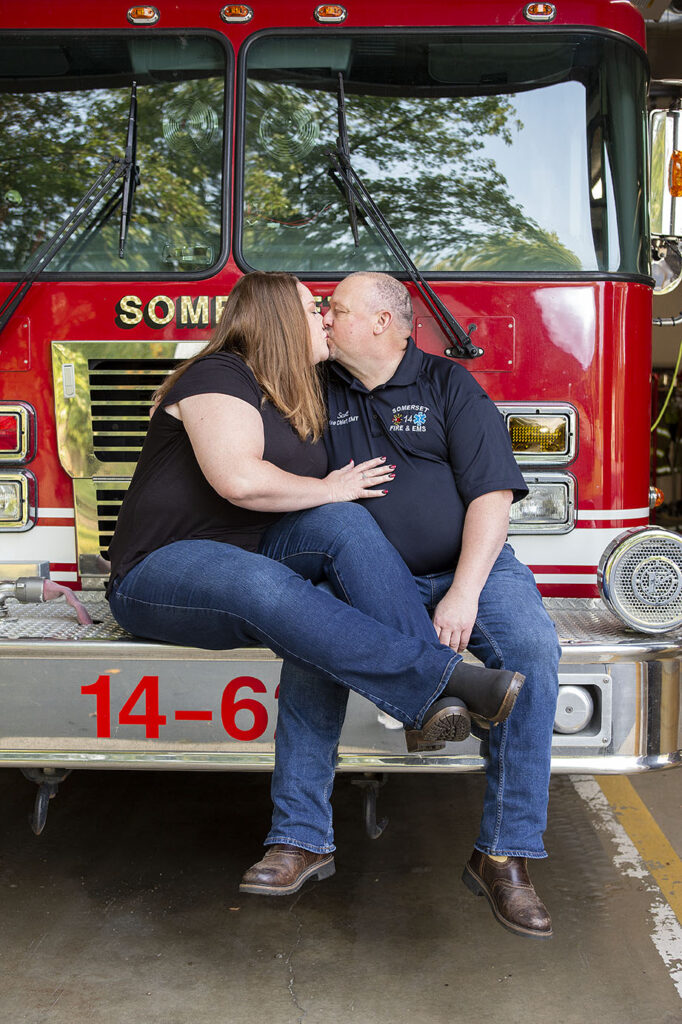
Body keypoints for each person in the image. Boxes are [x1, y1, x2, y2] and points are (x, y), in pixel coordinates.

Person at [106, 272, 525, 869]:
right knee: (268, 581)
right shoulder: (218, 375)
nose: (324, 318)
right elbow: (241, 480)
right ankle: (441, 683)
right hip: (163, 569)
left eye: (330, 309)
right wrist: (330, 486)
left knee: (346, 525)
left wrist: (342, 498)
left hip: (243, 552)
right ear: (279, 320)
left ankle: (428, 698)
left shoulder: (295, 390)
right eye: (313, 309)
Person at [241, 272, 560, 941]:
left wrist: (465, 591)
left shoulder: (447, 385)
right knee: (311, 649)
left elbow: (492, 497)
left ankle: (504, 855)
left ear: (383, 322)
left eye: (338, 310)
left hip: (468, 567)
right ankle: (301, 839)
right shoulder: (316, 390)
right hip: (363, 576)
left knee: (532, 651)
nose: (325, 319)